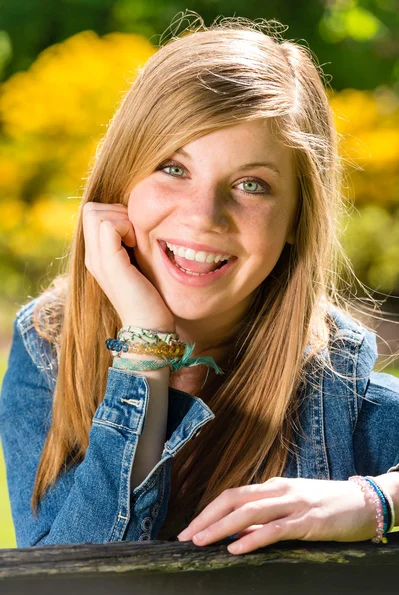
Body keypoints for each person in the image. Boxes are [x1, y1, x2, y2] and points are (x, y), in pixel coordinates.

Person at [1, 14, 399, 554]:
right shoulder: (47, 348)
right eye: (173, 167)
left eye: (251, 184)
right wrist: (145, 344)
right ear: (121, 180)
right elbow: (66, 584)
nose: (205, 216)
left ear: (295, 222)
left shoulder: (335, 388)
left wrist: (376, 500)